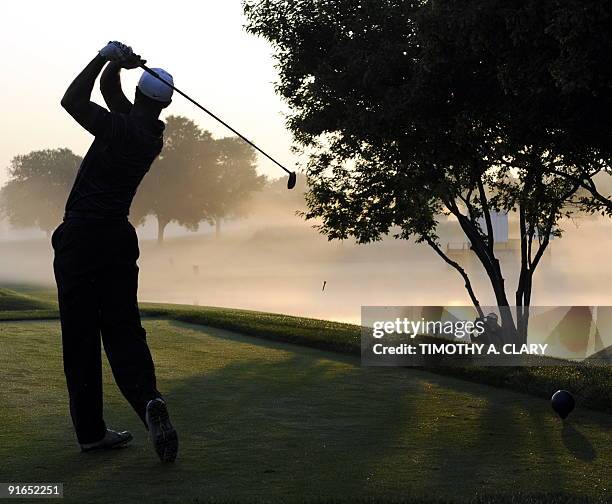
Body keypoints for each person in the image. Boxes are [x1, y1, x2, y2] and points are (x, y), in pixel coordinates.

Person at [52, 41, 178, 463]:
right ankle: (148, 403)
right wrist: (118, 66)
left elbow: (72, 100)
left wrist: (103, 56)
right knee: (124, 330)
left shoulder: (120, 128)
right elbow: (110, 95)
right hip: (118, 239)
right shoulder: (150, 134)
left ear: (141, 96)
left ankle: (90, 434)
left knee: (81, 338)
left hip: (81, 237)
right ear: (163, 103)